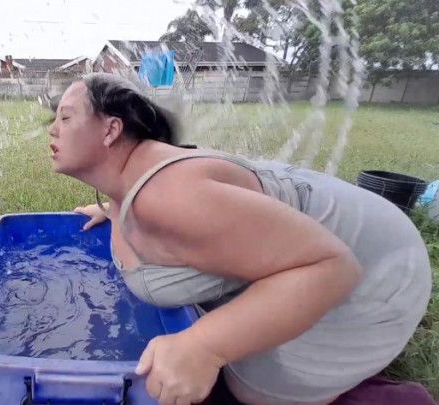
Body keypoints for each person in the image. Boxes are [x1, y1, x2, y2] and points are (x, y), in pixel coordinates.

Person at [47, 72, 432, 405]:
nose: (52, 129)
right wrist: (110, 210)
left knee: (248, 390)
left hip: (375, 274)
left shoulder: (169, 198)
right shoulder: (132, 184)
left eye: (65, 117)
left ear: (112, 130)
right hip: (326, 236)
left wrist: (204, 346)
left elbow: (333, 267)